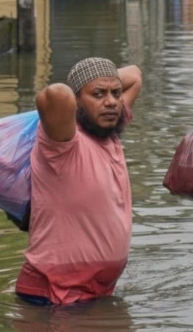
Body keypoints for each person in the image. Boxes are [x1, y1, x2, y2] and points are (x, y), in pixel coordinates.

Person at [15, 57, 143, 306]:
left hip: (95, 294)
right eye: (98, 94)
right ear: (76, 104)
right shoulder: (63, 142)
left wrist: (98, 80)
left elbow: (135, 75)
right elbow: (55, 94)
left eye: (116, 93)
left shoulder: (110, 131)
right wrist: (86, 80)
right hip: (52, 298)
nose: (111, 102)